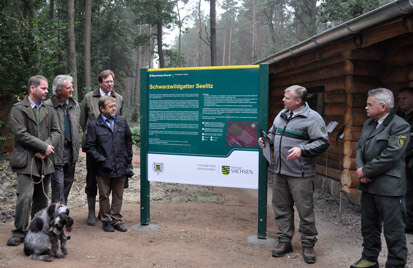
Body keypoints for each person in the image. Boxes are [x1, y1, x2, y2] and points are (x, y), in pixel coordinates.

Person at [258, 85, 329, 264]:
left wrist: (302, 149)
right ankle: (284, 241)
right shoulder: (281, 115)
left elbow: (322, 142)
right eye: (283, 96)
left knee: (305, 211)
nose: (283, 100)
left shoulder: (313, 118)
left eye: (287, 98)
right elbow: (274, 134)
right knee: (281, 208)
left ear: (298, 101)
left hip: (301, 174)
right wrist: (266, 140)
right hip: (280, 171)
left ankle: (308, 245)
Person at [350, 88, 410, 268]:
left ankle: (396, 263)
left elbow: (391, 155)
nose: (366, 107)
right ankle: (369, 258)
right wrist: (361, 170)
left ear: (383, 106)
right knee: (368, 226)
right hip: (368, 185)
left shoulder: (400, 126)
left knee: (394, 230)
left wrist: (366, 172)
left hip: (389, 187)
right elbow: (360, 147)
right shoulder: (369, 123)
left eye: (370, 104)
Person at [7, 75, 61, 246]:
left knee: (41, 198)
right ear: (32, 88)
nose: (47, 91)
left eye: (46, 89)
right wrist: (42, 147)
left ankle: (36, 229)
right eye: (44, 88)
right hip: (25, 160)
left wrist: (47, 147)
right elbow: (20, 134)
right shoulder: (18, 109)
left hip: (45, 160)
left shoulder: (49, 108)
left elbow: (57, 132)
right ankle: (19, 232)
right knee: (25, 196)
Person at [80, 70, 124, 226]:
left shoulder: (118, 98)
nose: (110, 84)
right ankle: (91, 211)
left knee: (111, 179)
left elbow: (120, 122)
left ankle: (105, 213)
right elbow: (82, 121)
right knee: (92, 179)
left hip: (112, 148)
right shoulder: (88, 98)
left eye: (112, 81)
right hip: (94, 147)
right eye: (107, 81)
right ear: (100, 83)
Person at [84, 96, 132, 232]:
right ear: (102, 108)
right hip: (103, 167)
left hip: (120, 165)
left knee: (118, 194)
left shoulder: (122, 121)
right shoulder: (94, 125)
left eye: (114, 106)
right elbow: (90, 146)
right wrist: (101, 160)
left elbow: (128, 141)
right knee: (104, 195)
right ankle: (106, 220)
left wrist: (128, 161)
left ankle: (116, 219)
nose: (114, 108)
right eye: (111, 106)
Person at [44, 75, 80, 204]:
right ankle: (57, 216)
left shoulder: (74, 105)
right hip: (56, 150)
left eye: (72, 87)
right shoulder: (48, 106)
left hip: (71, 150)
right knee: (58, 184)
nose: (72, 90)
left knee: (68, 182)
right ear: (59, 90)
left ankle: (61, 211)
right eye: (68, 87)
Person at [396, 87, 413, 234]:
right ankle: (407, 223)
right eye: (399, 99)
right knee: (405, 191)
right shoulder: (398, 116)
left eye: (404, 98)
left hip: (411, 158)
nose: (401, 102)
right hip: (401, 159)